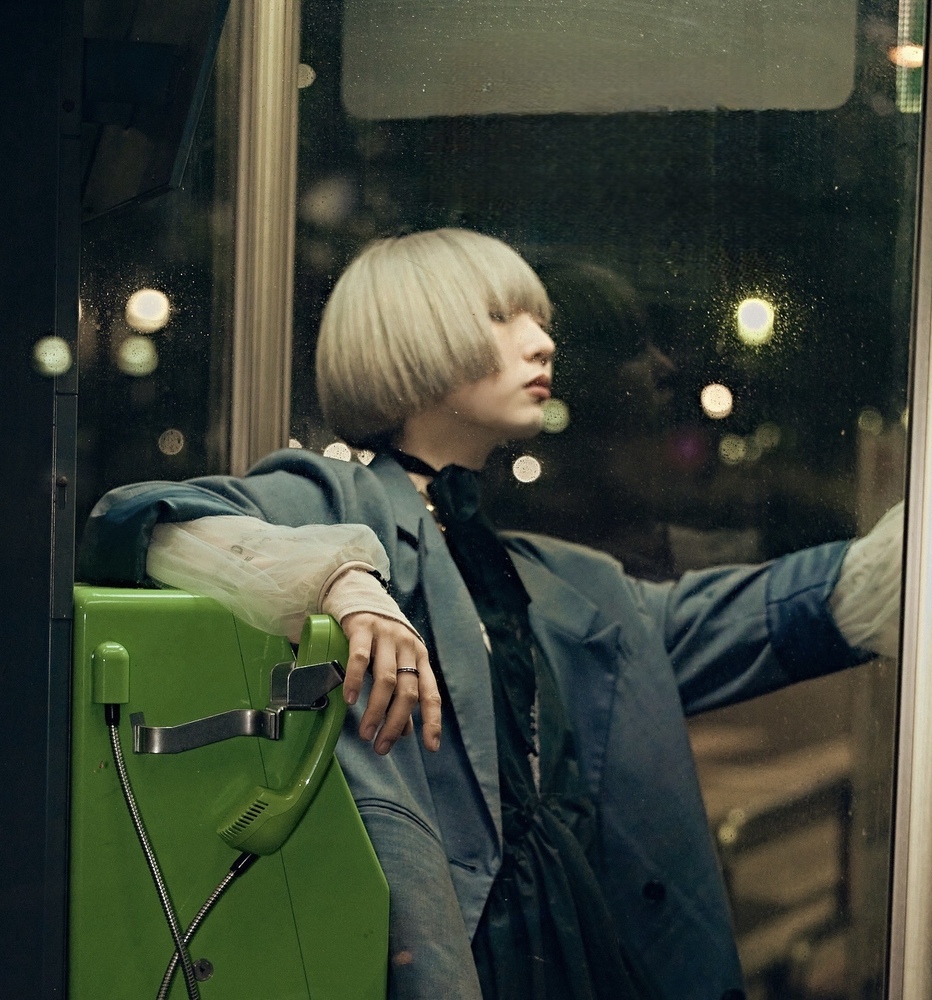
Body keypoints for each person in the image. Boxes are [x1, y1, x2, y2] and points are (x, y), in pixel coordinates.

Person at [79, 228, 902, 1000]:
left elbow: (731, 620)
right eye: (503, 318)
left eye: (540, 323)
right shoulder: (340, 501)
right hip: (442, 946)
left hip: (565, 937)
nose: (542, 344)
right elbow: (145, 520)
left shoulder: (531, 572)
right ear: (409, 335)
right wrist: (341, 582)